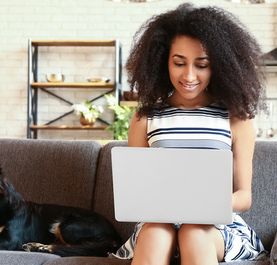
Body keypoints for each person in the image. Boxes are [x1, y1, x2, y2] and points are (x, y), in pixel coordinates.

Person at [111, 3, 268, 264]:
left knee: (193, 231)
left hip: (215, 227)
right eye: (179, 63)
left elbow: (243, 196)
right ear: (164, 62)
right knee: (156, 234)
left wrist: (204, 207)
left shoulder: (235, 119)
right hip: (159, 224)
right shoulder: (144, 119)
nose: (189, 75)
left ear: (218, 65)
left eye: (202, 65)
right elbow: (138, 193)